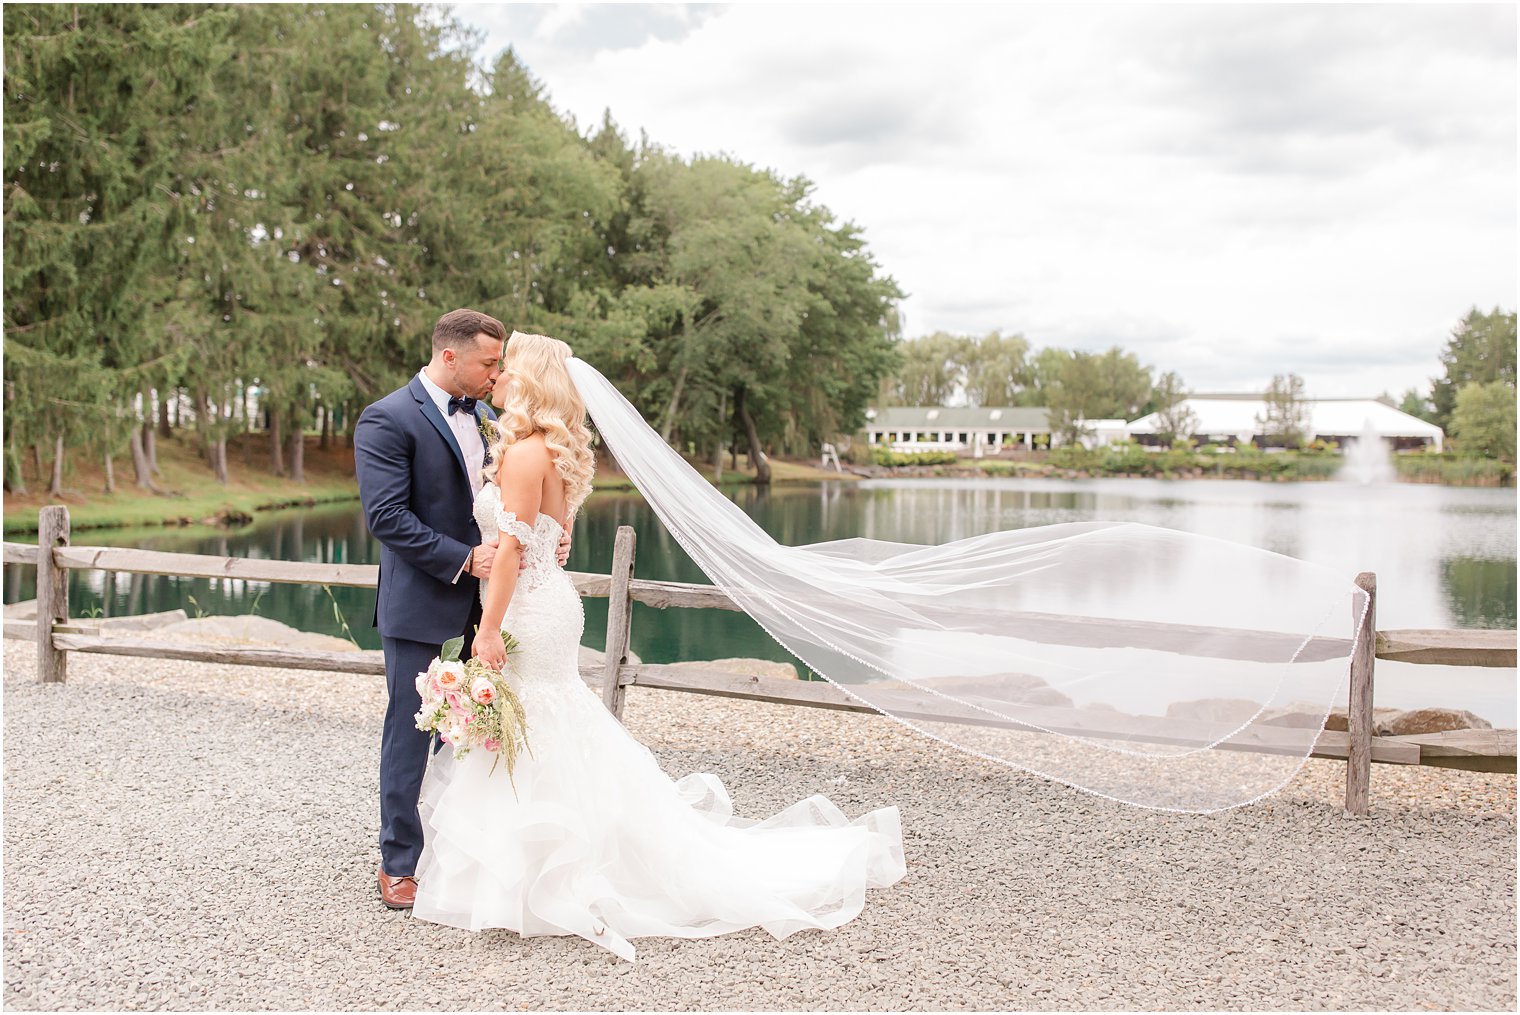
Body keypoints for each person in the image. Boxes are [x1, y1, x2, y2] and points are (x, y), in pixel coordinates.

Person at [411, 332, 906, 962]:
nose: (499, 375)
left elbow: (509, 550)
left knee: (538, 725)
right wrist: (540, 555)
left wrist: (486, 628)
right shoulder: (549, 452)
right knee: (551, 722)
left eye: (508, 367)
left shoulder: (520, 455)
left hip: (529, 611)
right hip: (554, 605)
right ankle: (543, 874)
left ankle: (533, 883)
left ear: (530, 381)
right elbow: (552, 537)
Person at [353, 310, 570, 911]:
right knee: (410, 730)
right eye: (487, 363)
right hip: (424, 599)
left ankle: (457, 853)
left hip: (494, 606)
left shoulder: (493, 418)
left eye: (499, 364)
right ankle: (399, 861)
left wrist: (544, 534)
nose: (495, 373)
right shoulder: (387, 418)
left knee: (479, 734)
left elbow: (516, 503)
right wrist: (466, 558)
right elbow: (387, 518)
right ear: (450, 357)